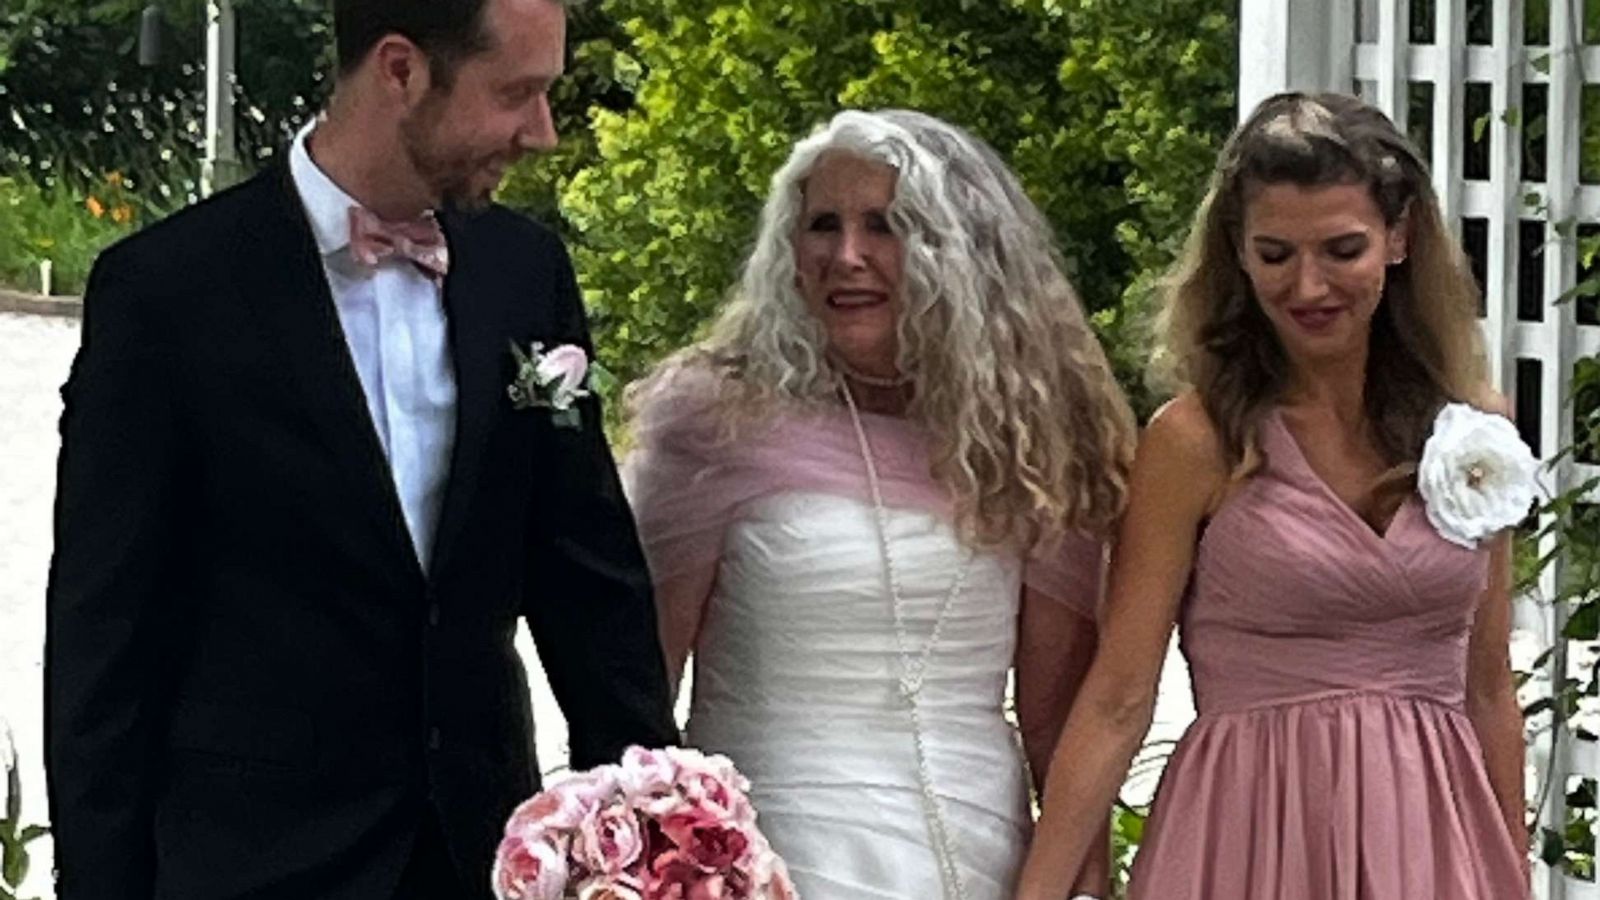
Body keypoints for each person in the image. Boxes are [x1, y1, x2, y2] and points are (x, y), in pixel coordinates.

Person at [44, 1, 678, 897]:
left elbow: (588, 579)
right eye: (518, 93)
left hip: (479, 854)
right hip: (253, 862)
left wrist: (657, 833)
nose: (542, 133)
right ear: (400, 70)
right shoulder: (168, 292)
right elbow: (105, 632)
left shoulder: (524, 273)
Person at [1013, 92, 1532, 900]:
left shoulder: (1478, 433)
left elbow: (1490, 689)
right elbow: (1118, 697)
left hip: (1434, 845)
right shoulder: (1194, 442)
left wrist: (1511, 879)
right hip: (1246, 839)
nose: (1309, 284)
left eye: (1342, 249)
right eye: (1276, 253)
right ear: (1240, 255)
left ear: (1399, 239)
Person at [625, 108, 1136, 900]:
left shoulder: (1031, 440)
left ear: (957, 255)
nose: (847, 255)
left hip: (973, 856)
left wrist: (1081, 888)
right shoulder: (717, 420)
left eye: (885, 226)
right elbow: (637, 691)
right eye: (821, 225)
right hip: (758, 857)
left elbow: (1056, 723)